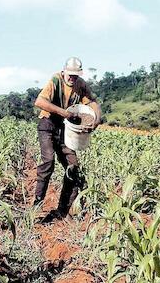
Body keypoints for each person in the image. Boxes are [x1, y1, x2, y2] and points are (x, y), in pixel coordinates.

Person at [34, 57, 101, 221]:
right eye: (70, 75)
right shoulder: (56, 80)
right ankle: (35, 209)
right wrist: (64, 113)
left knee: (73, 167)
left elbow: (92, 103)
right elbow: (40, 101)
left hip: (65, 129)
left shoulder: (80, 84)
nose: (72, 78)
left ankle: (64, 210)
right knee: (47, 162)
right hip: (48, 124)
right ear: (64, 71)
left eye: (75, 75)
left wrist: (96, 120)